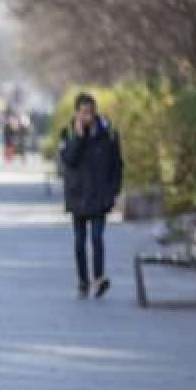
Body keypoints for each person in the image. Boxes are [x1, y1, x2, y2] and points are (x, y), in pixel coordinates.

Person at [60, 93, 123, 299]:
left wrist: (113, 191)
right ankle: (83, 281)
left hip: (99, 196)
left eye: (91, 112)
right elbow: (68, 161)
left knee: (96, 238)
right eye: (84, 112)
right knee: (79, 242)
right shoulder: (68, 133)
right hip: (77, 197)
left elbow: (117, 165)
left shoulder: (108, 134)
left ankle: (98, 278)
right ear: (77, 113)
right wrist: (78, 138)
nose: (88, 116)